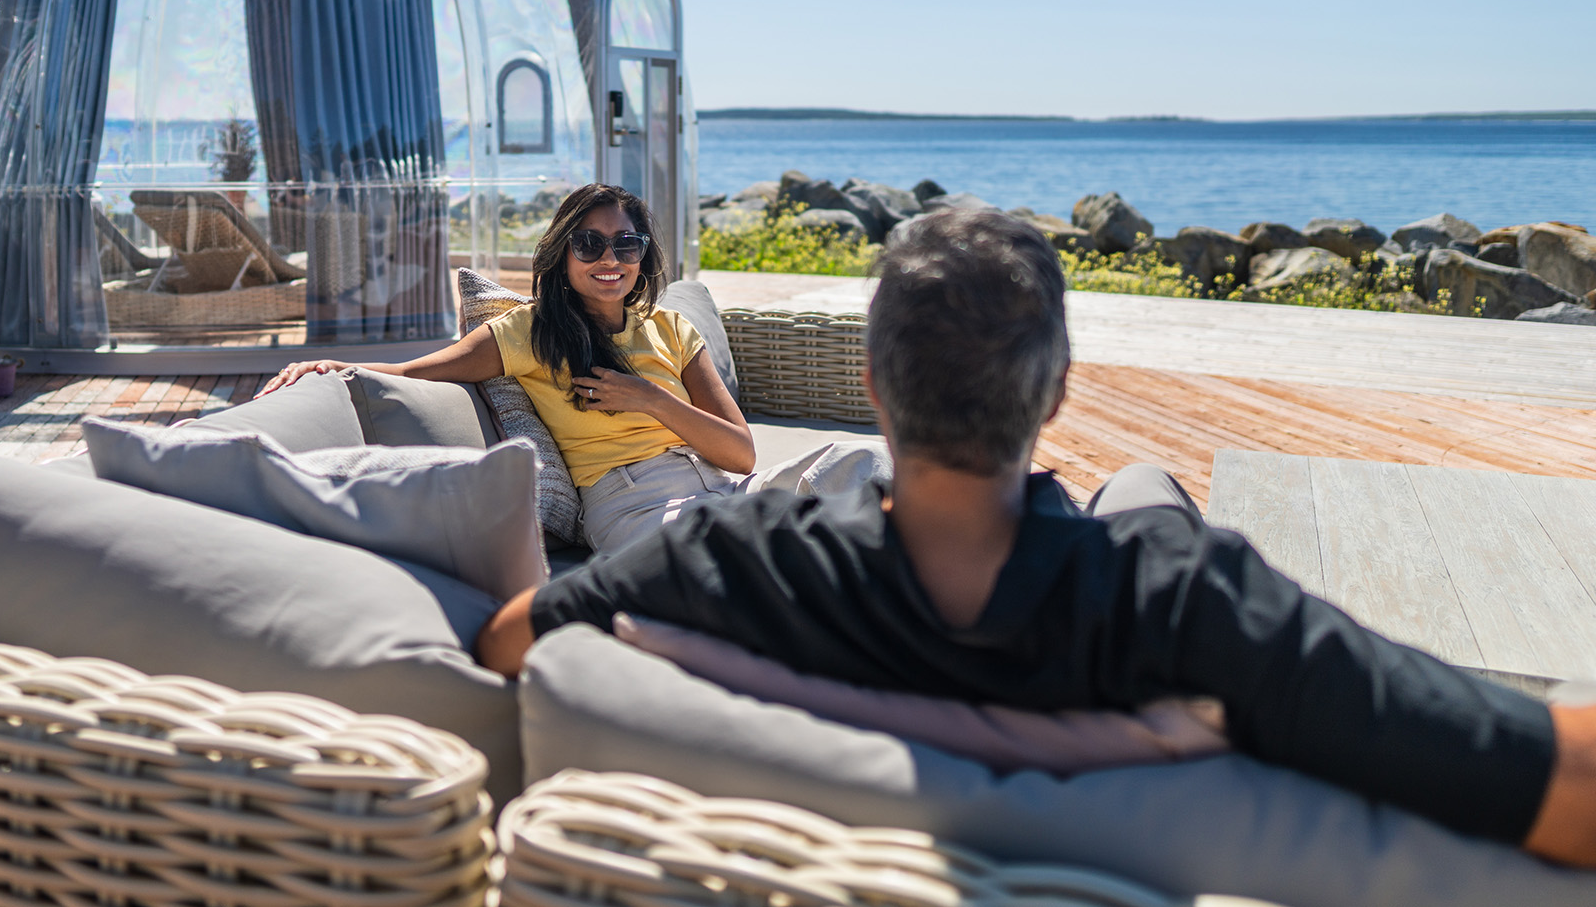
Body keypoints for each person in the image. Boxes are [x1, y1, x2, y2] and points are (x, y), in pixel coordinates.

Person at [472, 207, 1596, 867]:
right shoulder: (1193, 605)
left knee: (1140, 494)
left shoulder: (739, 563)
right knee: (1143, 489)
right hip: (1108, 564)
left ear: (871, 388)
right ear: (1053, 392)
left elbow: (514, 642)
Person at [260, 184, 882, 550]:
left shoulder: (671, 329)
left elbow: (741, 455)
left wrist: (651, 399)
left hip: (725, 487)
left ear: (643, 255)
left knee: (861, 462)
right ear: (563, 254)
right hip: (634, 506)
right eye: (589, 244)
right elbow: (418, 372)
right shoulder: (528, 332)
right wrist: (328, 365)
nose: (610, 259)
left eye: (626, 244)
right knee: (735, 552)